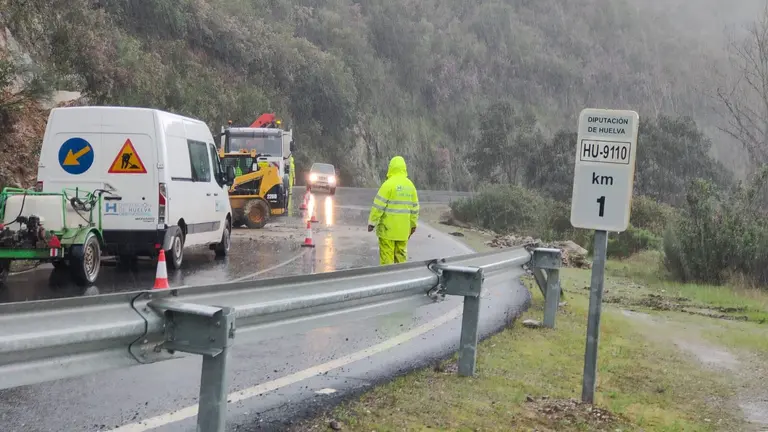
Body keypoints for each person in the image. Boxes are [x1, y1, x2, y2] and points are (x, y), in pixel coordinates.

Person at [367, 156, 419, 265]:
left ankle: (388, 279)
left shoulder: (388, 185)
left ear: (390, 168)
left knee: (387, 259)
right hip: (403, 232)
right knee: (401, 258)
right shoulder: (411, 186)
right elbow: (415, 209)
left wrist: (372, 222)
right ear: (404, 168)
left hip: (387, 231)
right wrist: (413, 225)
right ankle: (402, 278)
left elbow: (378, 206)